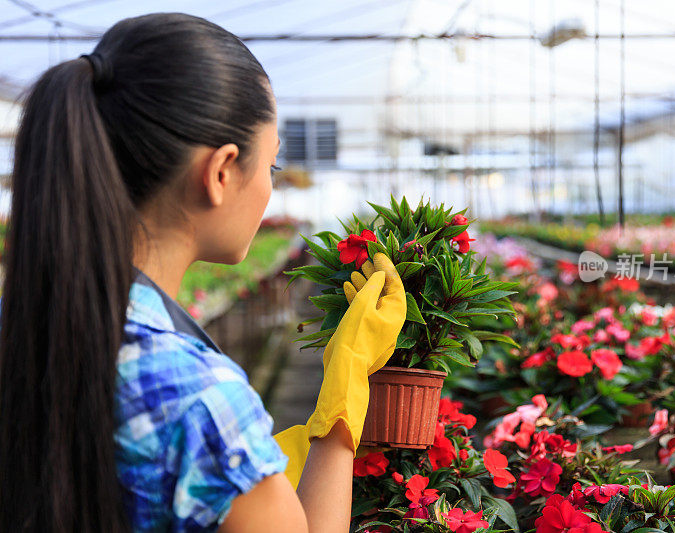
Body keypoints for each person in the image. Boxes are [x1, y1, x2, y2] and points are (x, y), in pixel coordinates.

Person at [0, 12, 406, 532]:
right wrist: (344, 391)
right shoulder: (201, 403)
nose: (270, 188)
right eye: (271, 167)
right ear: (219, 173)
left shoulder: (24, 321)